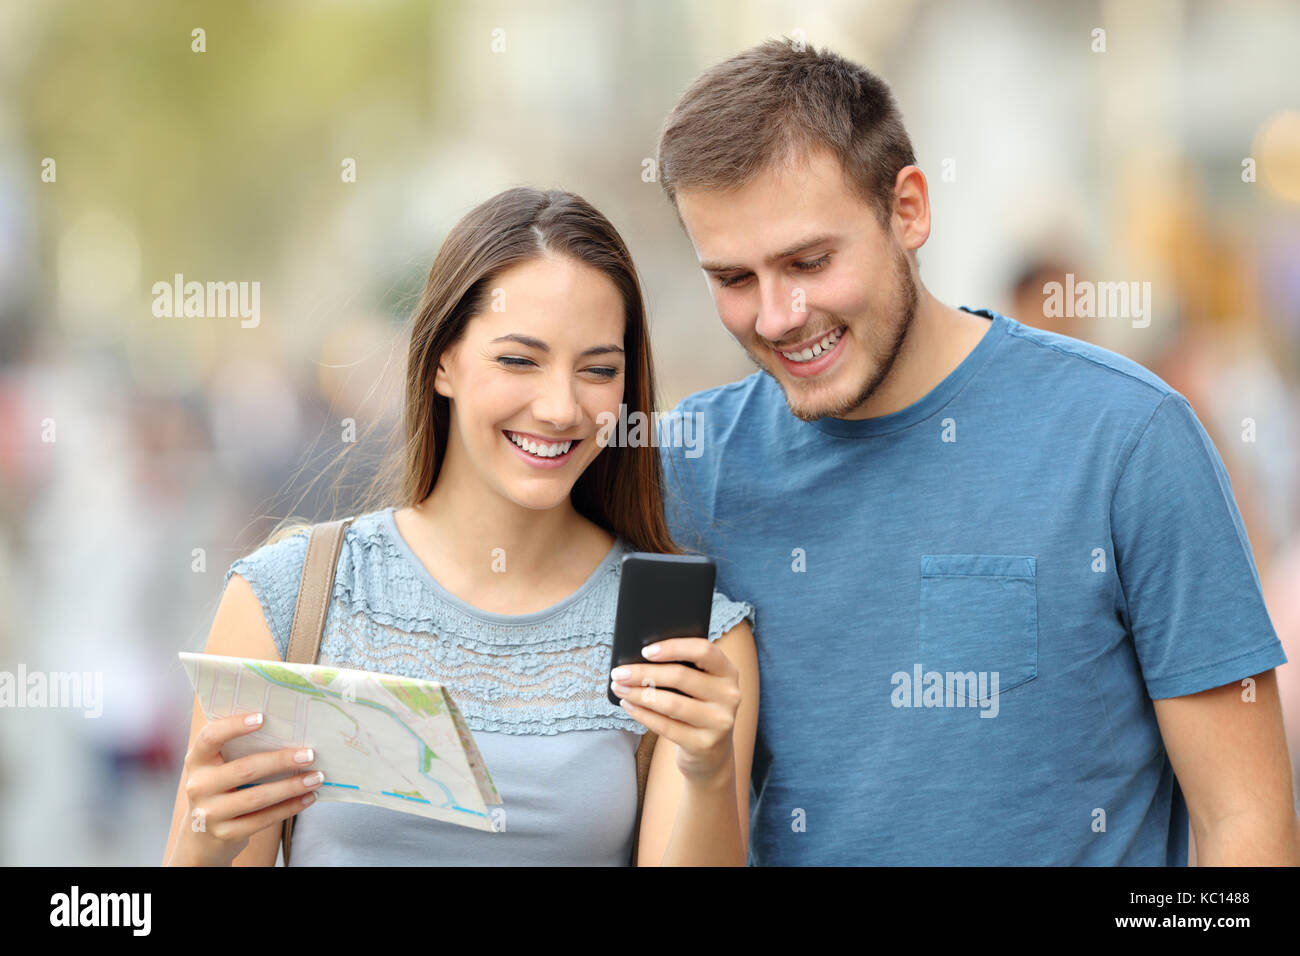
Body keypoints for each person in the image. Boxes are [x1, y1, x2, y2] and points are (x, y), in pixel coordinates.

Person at [653, 38, 1299, 865]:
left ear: (909, 210)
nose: (776, 316)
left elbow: (1245, 825)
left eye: (809, 261)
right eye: (734, 279)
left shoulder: (1128, 438)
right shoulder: (693, 470)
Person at [162, 187, 759, 866]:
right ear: (443, 359)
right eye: (518, 360)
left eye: (598, 370)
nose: (562, 407)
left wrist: (708, 771)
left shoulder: (695, 644)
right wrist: (203, 839)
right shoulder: (286, 599)